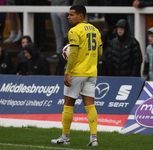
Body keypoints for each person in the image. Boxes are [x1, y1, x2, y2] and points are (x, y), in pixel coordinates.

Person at [51, 5, 102, 146]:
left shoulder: (74, 31)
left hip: (77, 72)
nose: (68, 17)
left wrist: (67, 73)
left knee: (68, 105)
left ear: (80, 16)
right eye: (68, 14)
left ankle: (65, 137)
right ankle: (94, 138)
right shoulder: (96, 30)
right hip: (92, 72)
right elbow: (100, 53)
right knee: (90, 105)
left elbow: (72, 54)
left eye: (72, 14)